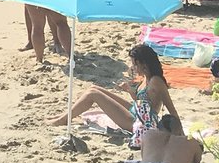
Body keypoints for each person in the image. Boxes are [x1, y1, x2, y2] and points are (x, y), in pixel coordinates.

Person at [49, 44, 178, 145]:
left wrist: (181, 135)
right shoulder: (147, 77)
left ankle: (63, 120)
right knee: (94, 88)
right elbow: (143, 101)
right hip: (136, 110)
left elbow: (172, 110)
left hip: (138, 122)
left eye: (134, 64)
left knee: (93, 94)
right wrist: (129, 91)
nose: (133, 67)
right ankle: (65, 115)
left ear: (143, 64)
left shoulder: (156, 82)